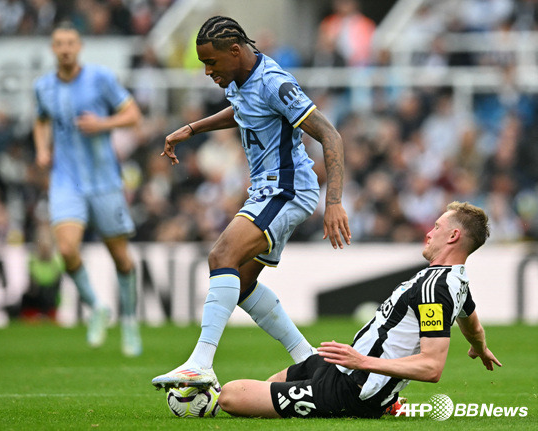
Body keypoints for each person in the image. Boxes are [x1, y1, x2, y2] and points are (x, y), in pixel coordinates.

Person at [152, 16, 351, 389]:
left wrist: (335, 201)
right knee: (240, 283)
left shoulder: (276, 83)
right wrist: (193, 128)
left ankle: (201, 363)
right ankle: (308, 360)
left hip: (286, 189)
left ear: (234, 50)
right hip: (266, 190)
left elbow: (330, 134)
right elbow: (244, 110)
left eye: (211, 63)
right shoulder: (241, 78)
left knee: (220, 256)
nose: (208, 72)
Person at [217, 201, 502, 419]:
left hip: (353, 390)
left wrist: (362, 362)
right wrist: (479, 346)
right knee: (270, 384)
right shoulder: (453, 280)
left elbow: (431, 367)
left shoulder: (435, 288)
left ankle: (384, 401)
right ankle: (385, 398)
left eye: (437, 227)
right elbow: (471, 321)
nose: (429, 233)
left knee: (230, 396)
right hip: (343, 366)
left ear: (453, 236)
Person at [33, 22, 143, 355]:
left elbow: (134, 115)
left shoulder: (100, 78)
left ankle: (129, 323)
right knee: (66, 250)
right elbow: (41, 119)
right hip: (66, 182)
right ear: (53, 49)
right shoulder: (43, 87)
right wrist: (41, 148)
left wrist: (102, 124)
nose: (65, 48)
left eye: (70, 43)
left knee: (121, 258)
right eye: (59, 43)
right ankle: (97, 307)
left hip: (105, 181)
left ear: (79, 46)